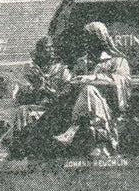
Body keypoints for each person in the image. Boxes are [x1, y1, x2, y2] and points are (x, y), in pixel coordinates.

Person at [53, 22, 131, 157]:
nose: (85, 43)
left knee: (89, 90)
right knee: (86, 92)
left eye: (89, 38)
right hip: (80, 105)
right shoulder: (81, 62)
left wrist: (93, 78)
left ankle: (78, 131)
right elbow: (72, 82)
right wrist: (73, 82)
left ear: (99, 39)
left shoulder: (117, 61)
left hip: (108, 105)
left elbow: (122, 81)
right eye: (84, 39)